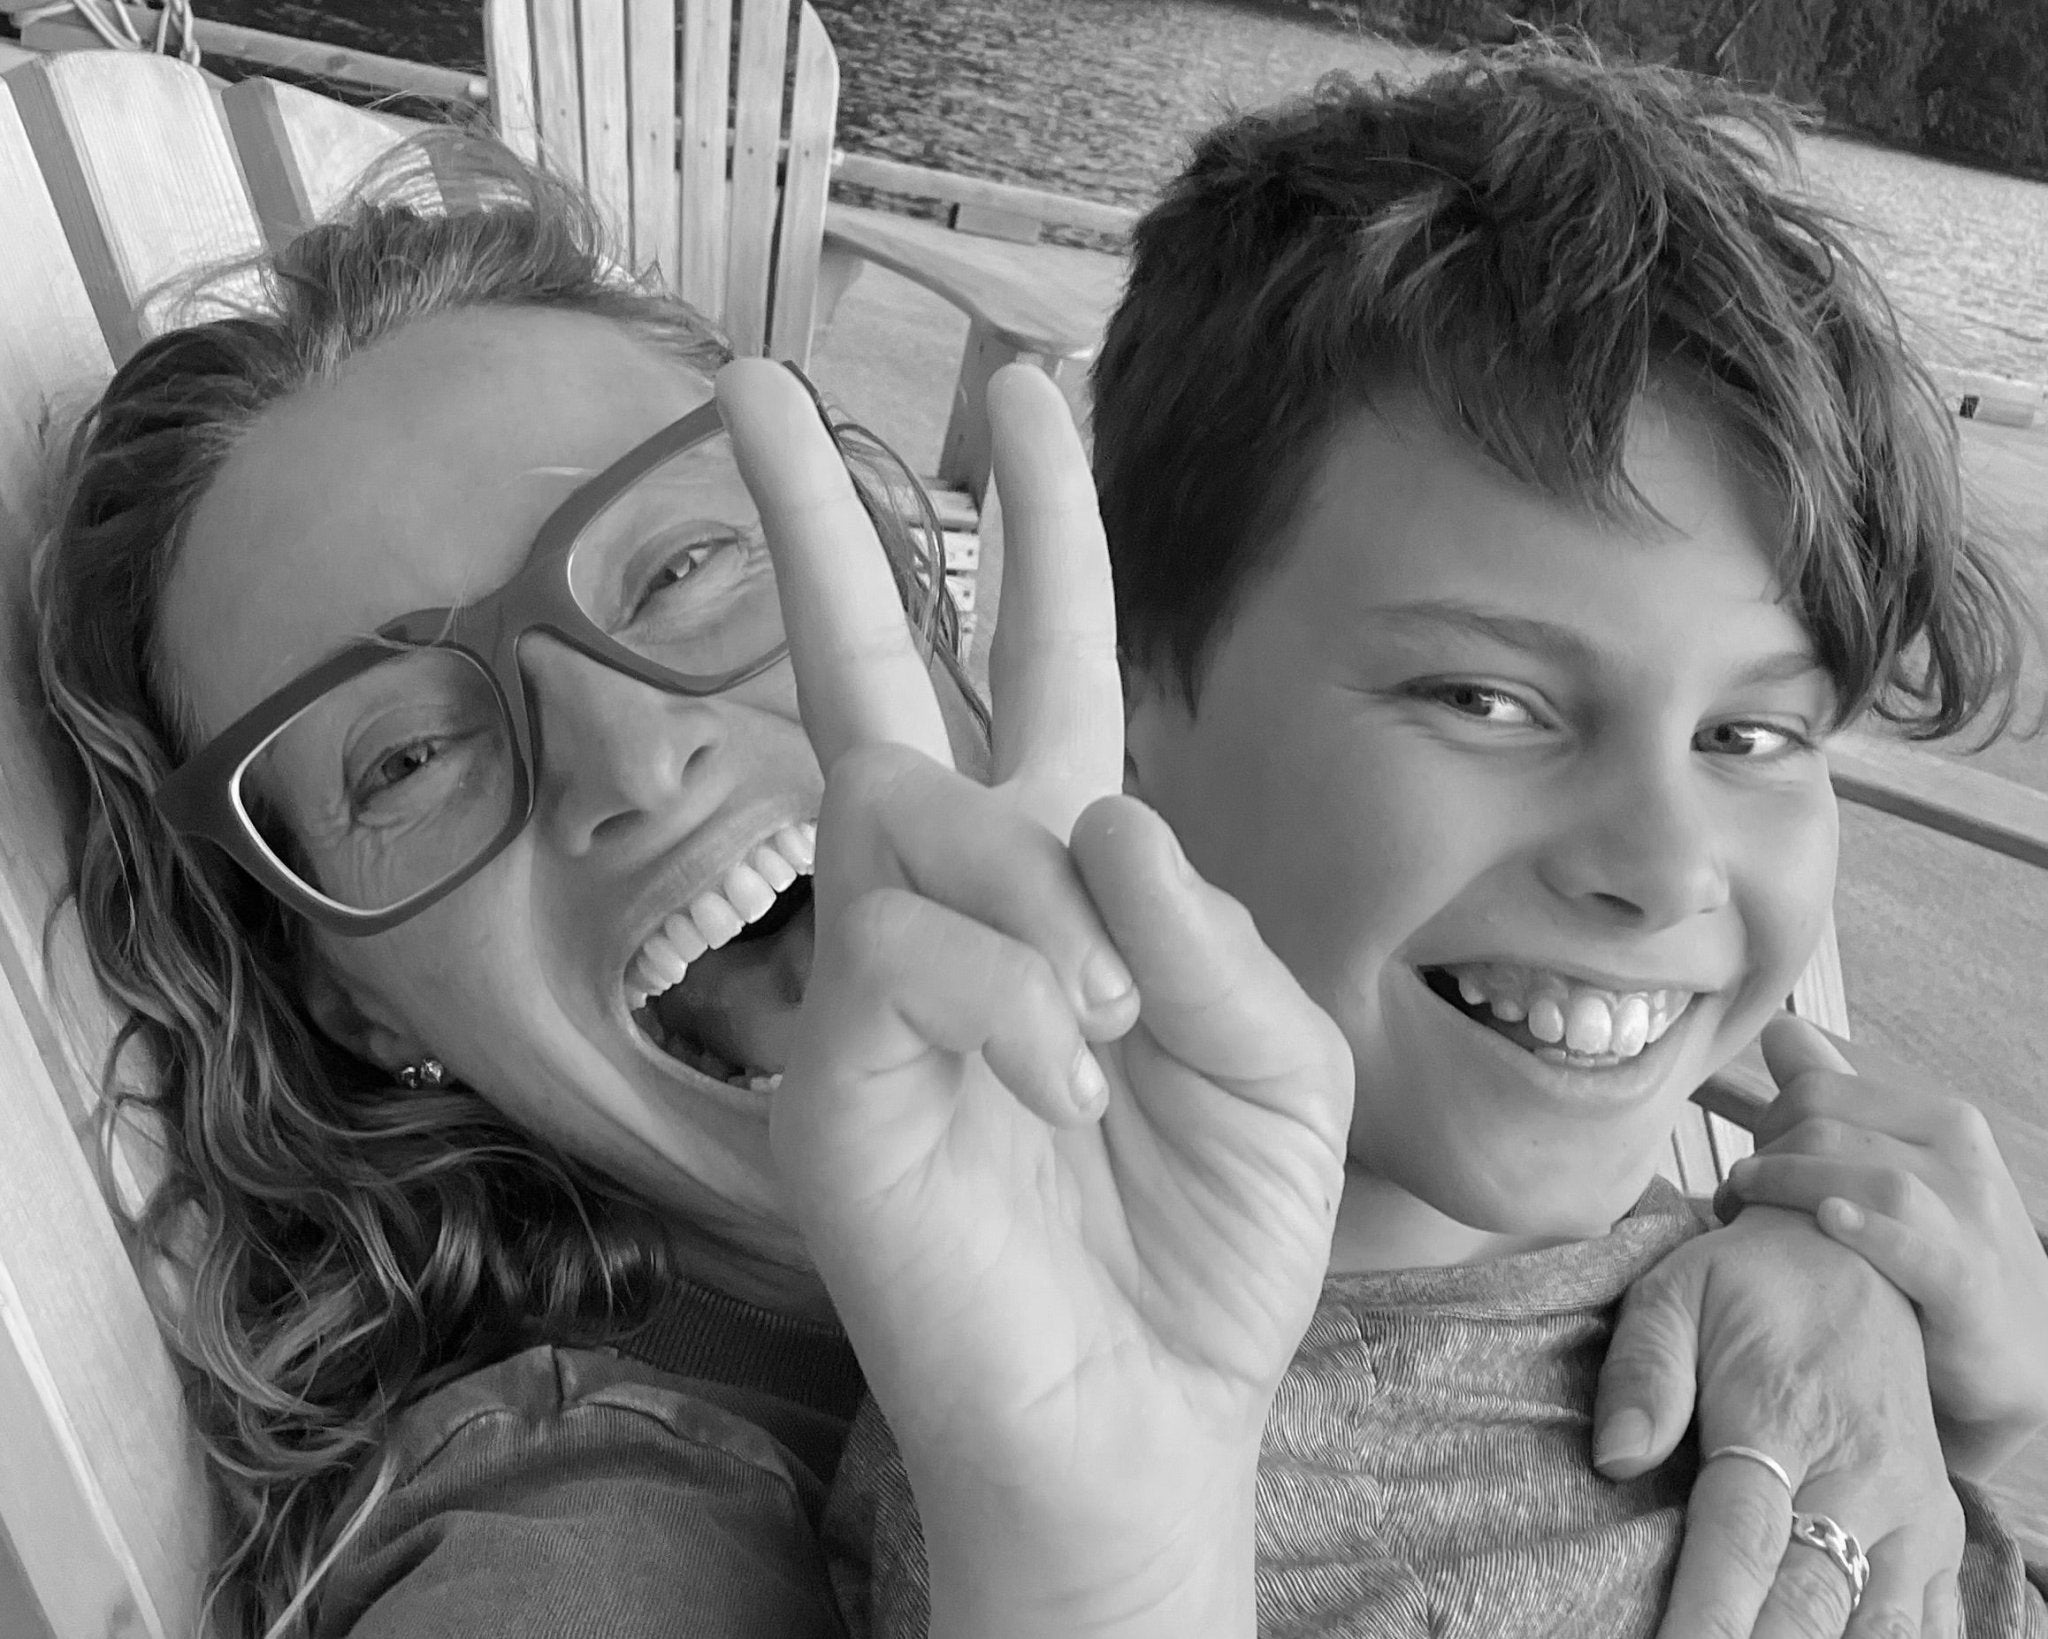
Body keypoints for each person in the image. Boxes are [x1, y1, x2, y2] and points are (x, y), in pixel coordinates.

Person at [18, 105, 2014, 1639]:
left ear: (917, 595)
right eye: (398, 755)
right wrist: (1097, 1562)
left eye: (696, 559)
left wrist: (1909, 1363)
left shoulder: (1357, 1132)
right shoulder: (598, 1520)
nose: (623, 754)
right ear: (356, 998)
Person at [795, 44, 2048, 1639]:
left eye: (1751, 736)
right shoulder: (1066, 1435)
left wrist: (1991, 1430)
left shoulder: (1807, 1310)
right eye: (1485, 697)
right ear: (1128, 711)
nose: (1664, 866)